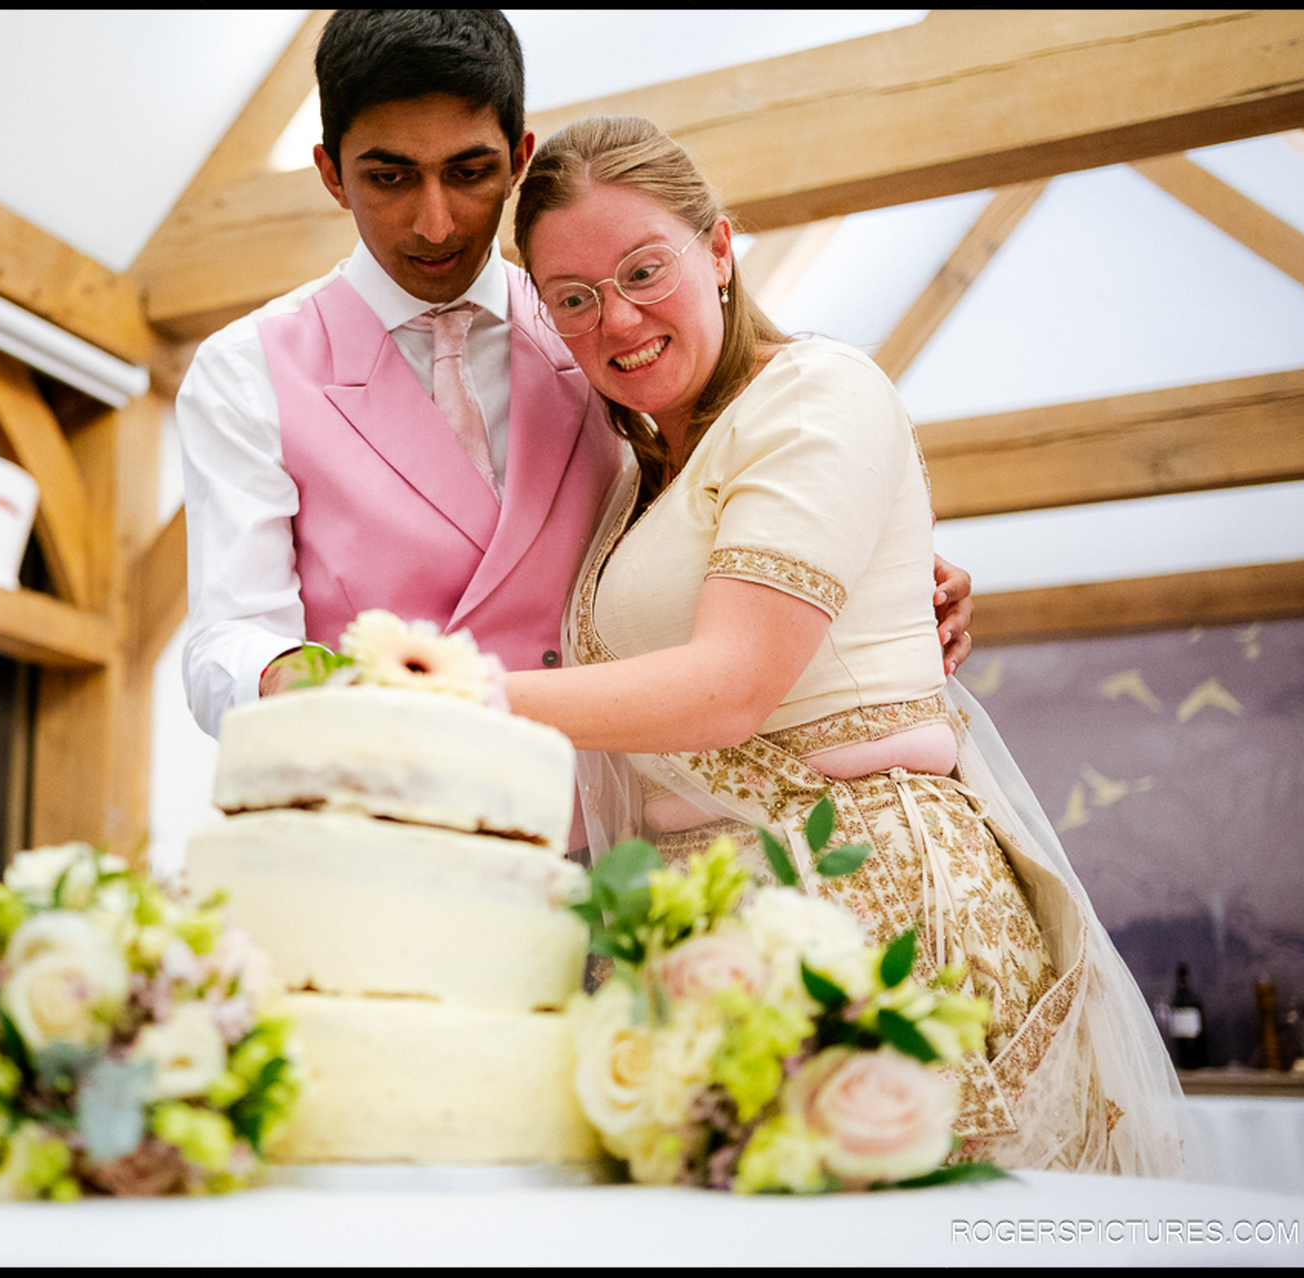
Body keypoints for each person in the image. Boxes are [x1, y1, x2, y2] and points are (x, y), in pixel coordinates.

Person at [502, 114, 1187, 1176]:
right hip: (698, 936)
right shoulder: (636, 476)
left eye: (646, 270)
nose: (617, 319)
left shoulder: (819, 391)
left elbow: (732, 687)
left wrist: (455, 699)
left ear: (721, 251)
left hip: (866, 899)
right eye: (574, 300)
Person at [176, 10, 974, 755]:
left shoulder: (601, 330)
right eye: (389, 178)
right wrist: (307, 685)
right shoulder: (245, 370)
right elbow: (230, 633)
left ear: (520, 159)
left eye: (470, 172)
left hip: (606, 834)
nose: (436, 222)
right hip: (385, 818)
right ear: (330, 173)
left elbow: (720, 487)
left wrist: (869, 564)